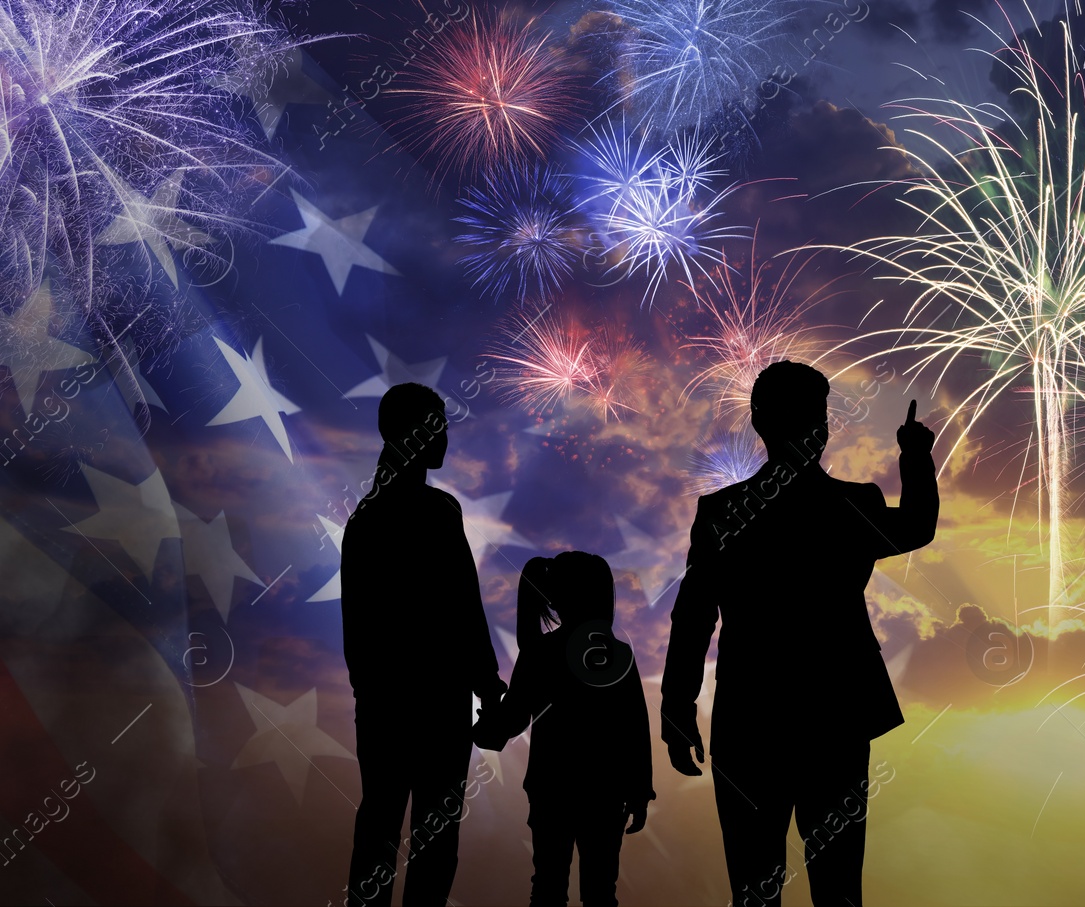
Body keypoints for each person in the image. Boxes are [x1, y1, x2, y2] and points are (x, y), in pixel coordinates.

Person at [660, 360, 939, 907]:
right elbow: (918, 526)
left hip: (750, 718)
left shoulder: (720, 512)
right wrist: (914, 455)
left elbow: (693, 616)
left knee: (753, 887)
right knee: (838, 888)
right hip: (836, 715)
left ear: (757, 423)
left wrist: (677, 706)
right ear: (824, 426)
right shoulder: (853, 505)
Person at [340, 382, 506, 907]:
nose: (446, 436)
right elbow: (461, 603)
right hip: (436, 700)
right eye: (437, 424)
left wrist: (372, 691)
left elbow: (358, 630)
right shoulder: (436, 511)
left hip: (385, 701)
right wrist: (486, 681)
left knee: (380, 822)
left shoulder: (364, 519)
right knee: (434, 833)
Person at [474, 551, 654, 907]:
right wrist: (639, 790)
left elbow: (508, 725)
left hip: (551, 789)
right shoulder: (618, 656)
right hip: (606, 791)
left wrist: (484, 721)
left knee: (547, 888)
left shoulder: (540, 653)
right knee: (601, 892)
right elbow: (634, 728)